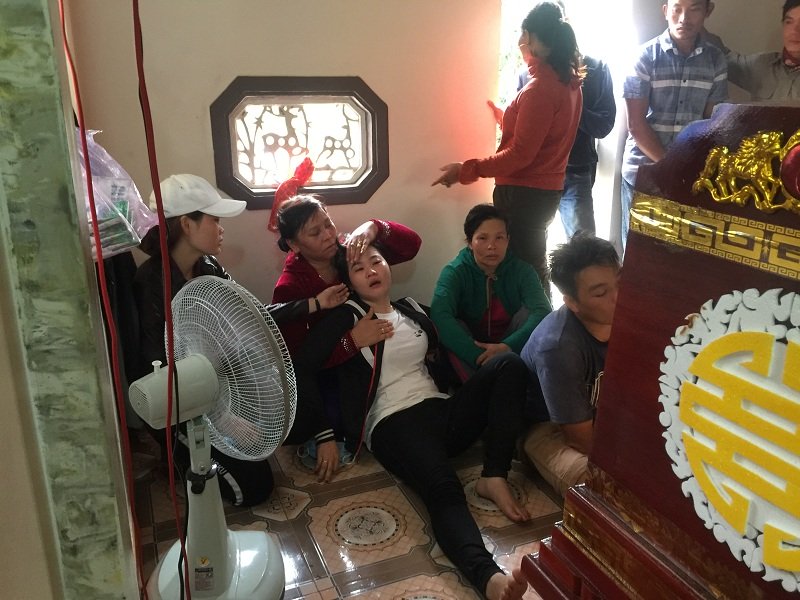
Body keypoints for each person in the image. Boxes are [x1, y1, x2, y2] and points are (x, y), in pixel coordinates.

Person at [293, 242, 530, 600]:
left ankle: (493, 475)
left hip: (439, 409)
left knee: (508, 364)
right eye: (359, 268)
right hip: (393, 422)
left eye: (376, 261)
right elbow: (303, 364)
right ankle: (489, 578)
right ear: (349, 282)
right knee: (444, 488)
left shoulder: (412, 309)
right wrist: (352, 344)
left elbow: (448, 336)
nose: (371, 271)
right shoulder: (347, 316)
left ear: (389, 266)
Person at [133, 174, 345, 506]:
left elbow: (253, 314)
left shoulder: (208, 267)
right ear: (187, 224)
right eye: (214, 220)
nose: (221, 229)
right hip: (180, 404)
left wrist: (315, 304)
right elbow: (158, 368)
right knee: (254, 489)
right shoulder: (150, 282)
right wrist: (224, 419)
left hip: (220, 381)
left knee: (300, 418)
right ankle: (176, 459)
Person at [433, 1, 583, 291]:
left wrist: (466, 170)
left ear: (531, 38)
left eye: (522, 35)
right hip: (543, 193)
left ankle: (540, 321)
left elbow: (521, 154)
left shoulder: (539, 89)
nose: (519, 43)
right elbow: (545, 135)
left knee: (525, 272)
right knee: (530, 268)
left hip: (523, 195)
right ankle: (538, 319)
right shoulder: (567, 82)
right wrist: (507, 119)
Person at [272, 195, 422, 465]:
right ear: (294, 244)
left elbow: (412, 246)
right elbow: (299, 364)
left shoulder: (347, 251)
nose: (328, 235)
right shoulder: (290, 287)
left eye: (328, 224)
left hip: (362, 358)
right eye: (315, 233)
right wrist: (351, 342)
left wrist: (373, 227)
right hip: (321, 372)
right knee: (331, 419)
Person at [520, 233, 620, 497]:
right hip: (548, 428)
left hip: (601, 418)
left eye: (621, 283)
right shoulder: (558, 346)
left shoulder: (626, 318)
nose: (618, 297)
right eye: (601, 293)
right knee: (600, 483)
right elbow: (580, 439)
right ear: (572, 302)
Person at [621, 0, 727, 249]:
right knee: (637, 255)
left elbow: (714, 124)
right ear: (665, 11)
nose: (684, 18)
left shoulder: (716, 61)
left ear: (708, 11)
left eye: (694, 9)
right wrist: (670, 169)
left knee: (676, 259)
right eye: (677, 8)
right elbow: (636, 124)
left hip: (688, 177)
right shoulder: (644, 57)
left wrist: (688, 173)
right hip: (643, 174)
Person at [515, 1, 616, 238]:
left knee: (583, 247)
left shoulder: (596, 69)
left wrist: (568, 105)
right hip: (535, 173)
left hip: (576, 171)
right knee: (530, 246)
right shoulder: (526, 75)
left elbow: (603, 125)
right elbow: (522, 132)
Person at [430, 203, 551, 383]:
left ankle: (517, 381)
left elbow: (543, 310)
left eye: (499, 238)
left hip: (510, 344)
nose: (491, 246)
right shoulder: (455, 271)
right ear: (470, 242)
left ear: (508, 240)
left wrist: (507, 347)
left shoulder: (522, 270)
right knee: (454, 325)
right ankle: (480, 387)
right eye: (482, 238)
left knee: (528, 314)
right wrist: (479, 356)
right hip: (474, 347)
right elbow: (439, 314)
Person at [704, 0, 800, 101]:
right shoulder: (763, 65)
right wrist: (698, 14)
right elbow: (723, 57)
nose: (794, 30)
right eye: (789, 22)